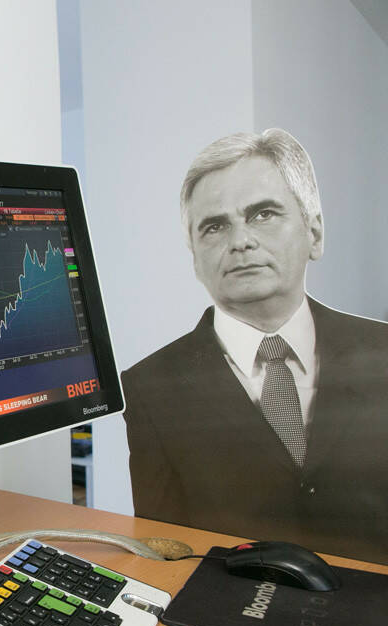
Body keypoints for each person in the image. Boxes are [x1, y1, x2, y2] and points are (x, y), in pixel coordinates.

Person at [121, 128, 388, 564]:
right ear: (194, 256)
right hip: (232, 623)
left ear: (315, 233)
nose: (240, 241)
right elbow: (165, 553)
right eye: (215, 226)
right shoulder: (150, 388)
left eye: (263, 214)